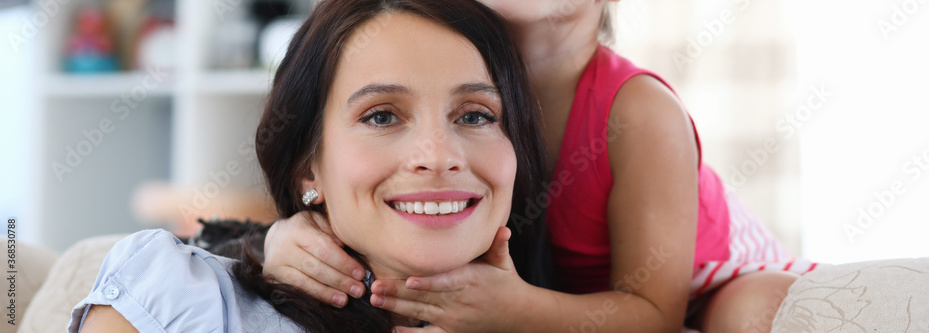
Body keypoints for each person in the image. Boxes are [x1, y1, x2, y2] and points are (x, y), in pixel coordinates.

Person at [263, 1, 821, 332]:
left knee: (751, 311)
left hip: (707, 286)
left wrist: (518, 308)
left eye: (476, 115)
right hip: (572, 294)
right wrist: (290, 236)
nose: (437, 154)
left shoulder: (640, 111)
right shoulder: (435, 56)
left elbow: (654, 313)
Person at [68, 1, 553, 332]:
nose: (439, 156)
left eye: (475, 115)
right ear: (308, 169)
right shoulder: (180, 297)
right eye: (381, 115)